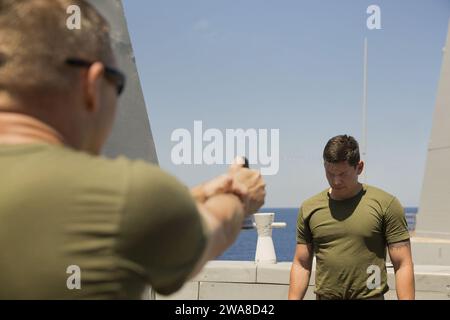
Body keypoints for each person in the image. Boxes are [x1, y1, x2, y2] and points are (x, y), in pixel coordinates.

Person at [0, 0, 265, 299]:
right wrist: (238, 195)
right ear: (93, 85)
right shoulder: (131, 193)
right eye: (118, 84)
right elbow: (210, 233)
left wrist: (200, 194)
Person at [288, 135, 414, 300]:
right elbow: (301, 264)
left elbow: (403, 264)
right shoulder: (309, 208)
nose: (336, 181)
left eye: (343, 173)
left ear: (359, 167)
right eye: (330, 173)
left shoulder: (386, 204)